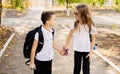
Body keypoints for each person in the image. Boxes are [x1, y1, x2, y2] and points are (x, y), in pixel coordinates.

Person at [64, 4, 97, 74]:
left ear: (83, 14)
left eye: (76, 13)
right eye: (74, 13)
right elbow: (69, 36)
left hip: (87, 50)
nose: (74, 15)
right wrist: (65, 48)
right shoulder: (75, 24)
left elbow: (94, 39)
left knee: (86, 70)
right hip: (77, 49)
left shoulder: (90, 25)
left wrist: (92, 51)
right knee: (76, 68)